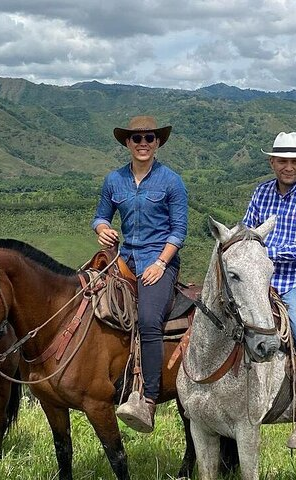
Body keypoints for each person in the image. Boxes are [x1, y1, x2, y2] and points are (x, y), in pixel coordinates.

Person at [92, 115, 188, 433]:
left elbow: (178, 231)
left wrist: (160, 263)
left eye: (149, 138)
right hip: (123, 259)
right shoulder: (113, 181)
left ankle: (147, 399)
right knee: (84, 299)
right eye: (137, 138)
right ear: (127, 143)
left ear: (158, 142)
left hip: (159, 261)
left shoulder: (171, 181)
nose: (143, 143)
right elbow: (100, 216)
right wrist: (103, 229)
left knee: (148, 319)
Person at [242, 131, 296, 446]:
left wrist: (267, 253)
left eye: (295, 161)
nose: (288, 167)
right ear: (272, 162)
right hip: (259, 278)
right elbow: (246, 230)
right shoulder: (261, 193)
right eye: (282, 160)